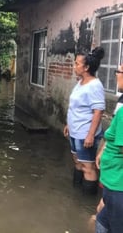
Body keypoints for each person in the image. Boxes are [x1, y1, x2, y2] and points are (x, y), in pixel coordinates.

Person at [63, 47, 105, 195]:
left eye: (77, 63)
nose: (74, 66)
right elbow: (75, 107)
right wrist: (69, 124)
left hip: (85, 134)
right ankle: (76, 194)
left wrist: (90, 135)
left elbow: (98, 112)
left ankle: (86, 202)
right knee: (78, 162)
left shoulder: (94, 85)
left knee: (88, 167)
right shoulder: (81, 83)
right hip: (75, 131)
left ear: (86, 67)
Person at [94, 64, 123, 233]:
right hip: (112, 181)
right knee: (102, 220)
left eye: (118, 71)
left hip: (118, 184)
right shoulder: (121, 102)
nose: (115, 75)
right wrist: (104, 150)